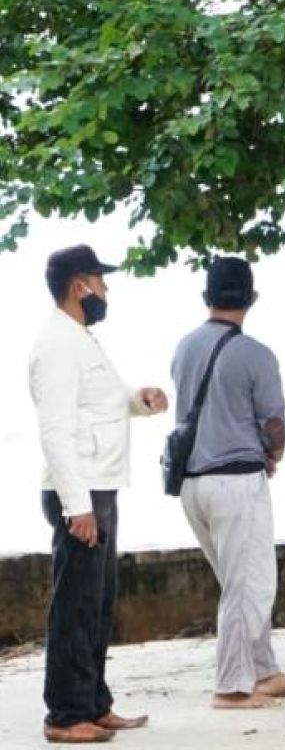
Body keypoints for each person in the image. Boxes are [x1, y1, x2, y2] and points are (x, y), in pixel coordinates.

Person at [29, 245, 168, 744]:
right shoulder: (58, 344)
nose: (106, 290)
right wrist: (78, 507)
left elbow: (97, 406)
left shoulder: (80, 338)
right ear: (78, 286)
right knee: (76, 606)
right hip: (80, 492)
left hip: (98, 486)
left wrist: (139, 401)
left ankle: (93, 703)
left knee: (98, 602)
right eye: (100, 281)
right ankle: (65, 715)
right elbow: (56, 430)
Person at [171, 257, 285, 709]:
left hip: (192, 483)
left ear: (206, 297)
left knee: (238, 580)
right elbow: (274, 423)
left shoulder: (184, 347)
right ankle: (232, 687)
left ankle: (263, 670)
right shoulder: (256, 354)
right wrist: (273, 454)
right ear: (252, 298)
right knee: (249, 585)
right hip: (236, 482)